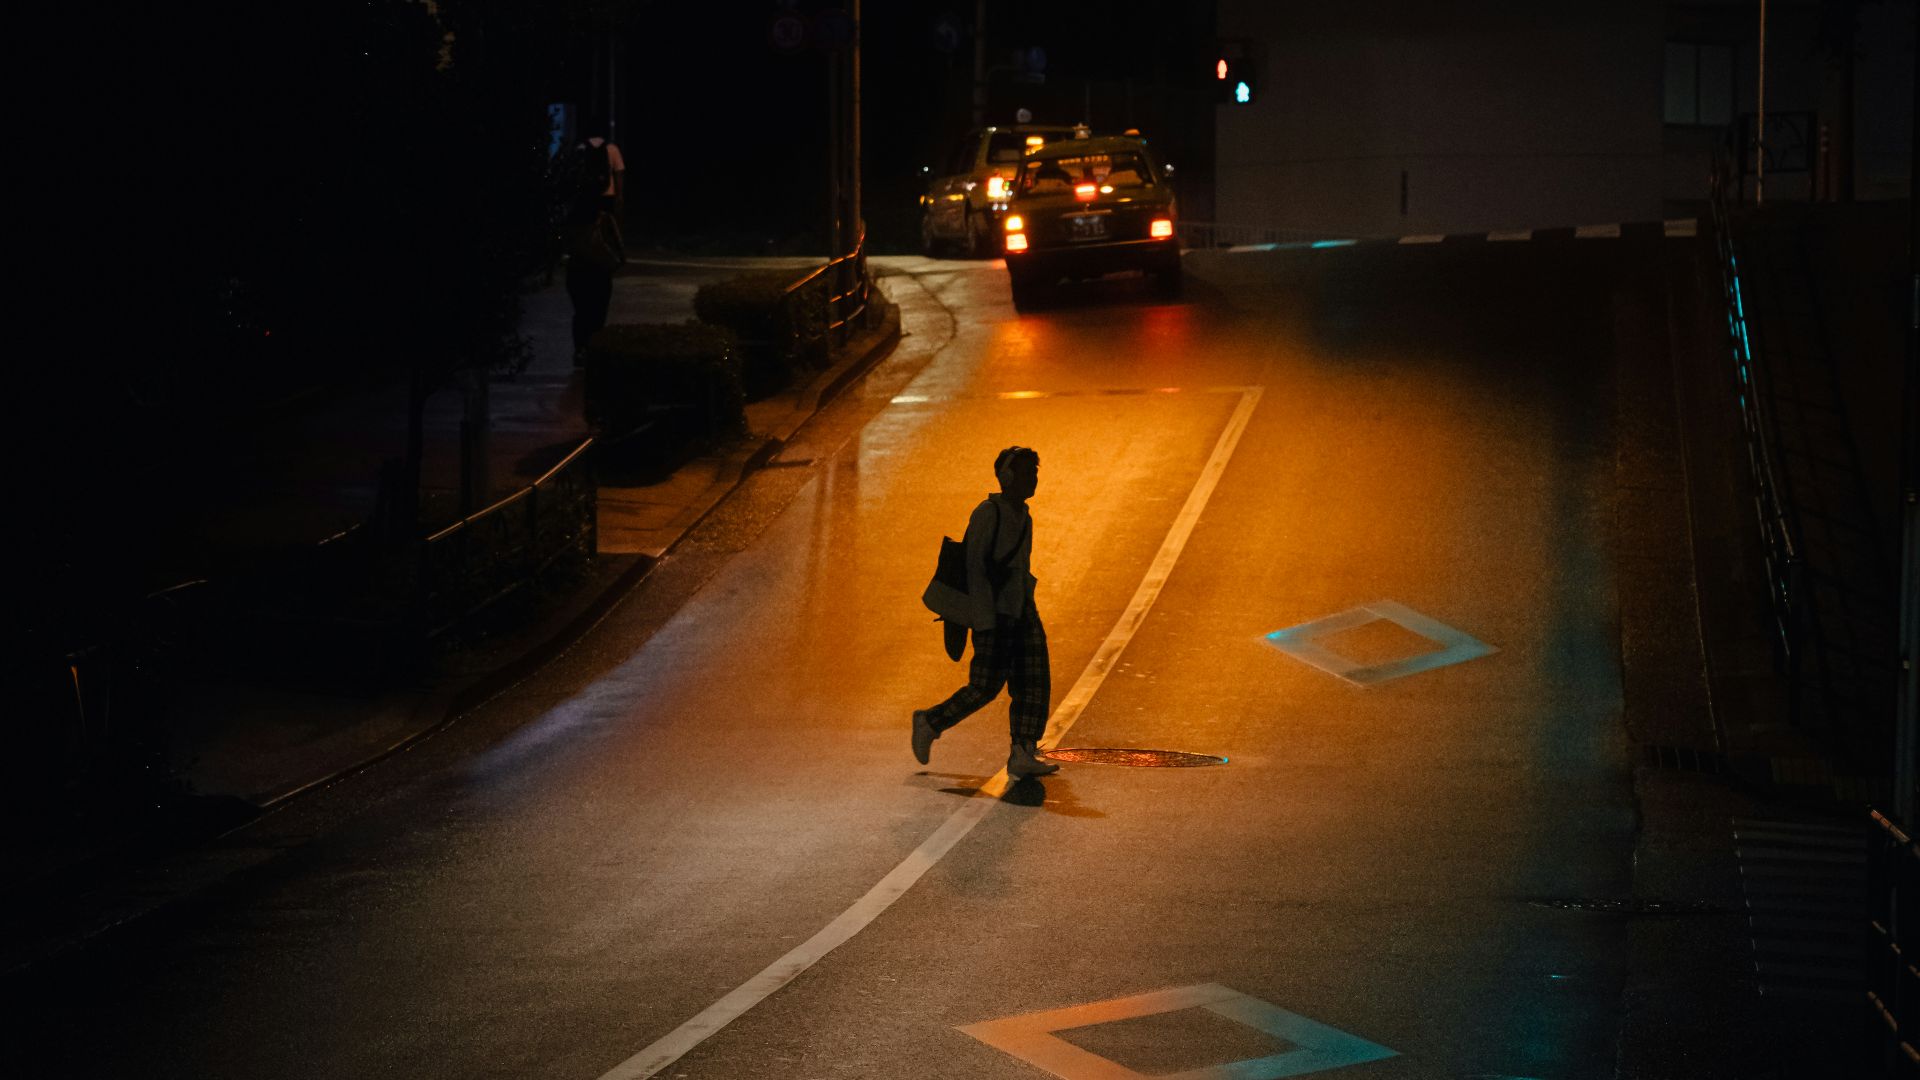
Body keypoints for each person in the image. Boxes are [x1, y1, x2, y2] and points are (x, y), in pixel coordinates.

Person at [912, 446, 1059, 779]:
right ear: (1006, 477)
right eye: (1026, 472)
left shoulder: (1024, 516)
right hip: (995, 614)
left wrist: (1026, 605)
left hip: (1021, 610)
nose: (1033, 479)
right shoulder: (988, 513)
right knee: (984, 686)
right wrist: (984, 621)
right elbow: (975, 568)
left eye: (1034, 473)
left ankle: (1023, 751)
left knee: (1034, 681)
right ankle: (930, 721)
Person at [563, 194, 623, 365]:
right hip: (599, 271)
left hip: (578, 270)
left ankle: (580, 350)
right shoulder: (605, 219)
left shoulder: (571, 220)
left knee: (582, 313)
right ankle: (593, 350)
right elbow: (618, 247)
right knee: (598, 314)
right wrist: (615, 260)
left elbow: (564, 244)